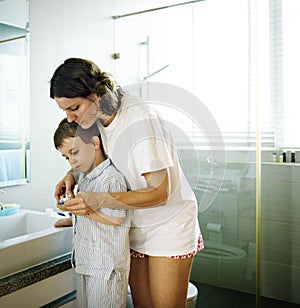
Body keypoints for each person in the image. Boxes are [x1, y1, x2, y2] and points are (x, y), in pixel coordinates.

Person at [50, 58, 204, 308]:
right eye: (65, 111)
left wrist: (99, 200)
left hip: (167, 225)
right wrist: (72, 175)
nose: (70, 118)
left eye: (74, 108)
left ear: (95, 95)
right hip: (133, 222)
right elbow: (96, 155)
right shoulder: (97, 118)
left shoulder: (139, 120)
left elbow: (160, 192)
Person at [53, 118, 131, 308]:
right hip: (88, 264)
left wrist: (82, 210)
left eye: (74, 152)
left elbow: (116, 218)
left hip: (107, 270)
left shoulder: (111, 179)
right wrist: (74, 216)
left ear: (95, 143)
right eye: (66, 157)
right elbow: (94, 214)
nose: (71, 161)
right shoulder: (85, 175)